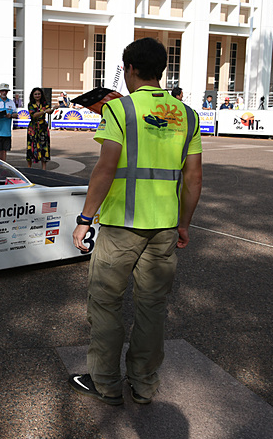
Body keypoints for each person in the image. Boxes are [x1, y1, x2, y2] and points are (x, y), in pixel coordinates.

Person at [69, 37, 203, 406]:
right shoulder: (187, 115)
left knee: (106, 304)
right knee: (152, 307)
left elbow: (105, 169)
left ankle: (106, 382)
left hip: (121, 226)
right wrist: (184, 223)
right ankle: (144, 383)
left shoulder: (119, 111)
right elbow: (193, 179)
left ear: (130, 69)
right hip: (164, 227)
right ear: (161, 70)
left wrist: (84, 219)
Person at [26, 87, 52, 169]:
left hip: (43, 127)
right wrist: (44, 111)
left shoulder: (45, 103)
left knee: (44, 146)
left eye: (39, 94)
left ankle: (44, 168)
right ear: (33, 95)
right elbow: (33, 115)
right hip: (33, 128)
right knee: (31, 146)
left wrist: (53, 109)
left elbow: (49, 111)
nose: (37, 95)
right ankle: (29, 167)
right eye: (36, 94)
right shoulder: (30, 104)